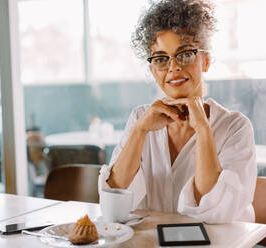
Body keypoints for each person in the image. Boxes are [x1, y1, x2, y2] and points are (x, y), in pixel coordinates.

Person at [98, 0, 257, 224]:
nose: (173, 67)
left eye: (185, 54)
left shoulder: (235, 127)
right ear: (153, 70)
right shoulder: (139, 118)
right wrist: (140, 131)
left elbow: (212, 212)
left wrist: (203, 129)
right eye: (161, 59)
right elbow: (114, 202)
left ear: (206, 61)